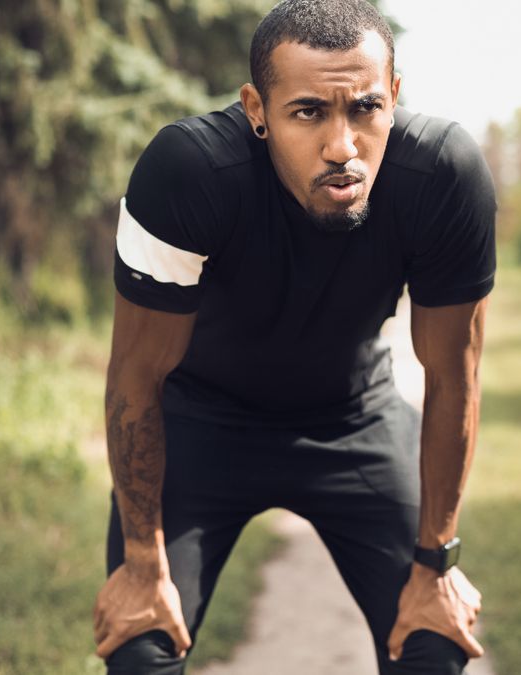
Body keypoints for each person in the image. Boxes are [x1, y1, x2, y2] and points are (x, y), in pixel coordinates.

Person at [91, 0, 496, 672]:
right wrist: (140, 561)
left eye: (365, 108)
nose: (343, 147)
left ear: (394, 96)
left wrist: (439, 563)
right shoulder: (188, 174)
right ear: (256, 109)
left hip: (353, 421)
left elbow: (455, 375)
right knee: (140, 647)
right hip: (201, 423)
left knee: (432, 643)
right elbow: (136, 375)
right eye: (308, 111)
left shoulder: (441, 177)